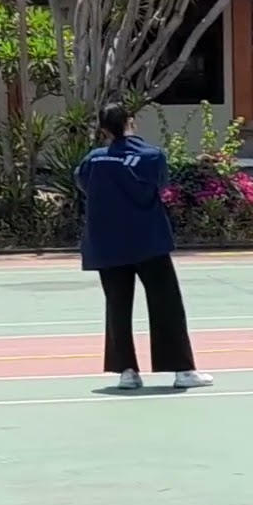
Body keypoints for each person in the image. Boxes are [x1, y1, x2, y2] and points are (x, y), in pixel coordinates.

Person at [76, 102, 213, 390]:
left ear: (103, 129)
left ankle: (126, 371)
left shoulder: (93, 159)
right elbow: (160, 186)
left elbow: (84, 184)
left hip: (107, 243)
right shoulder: (151, 156)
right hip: (147, 240)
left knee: (117, 306)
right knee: (167, 304)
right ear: (131, 122)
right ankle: (182, 369)